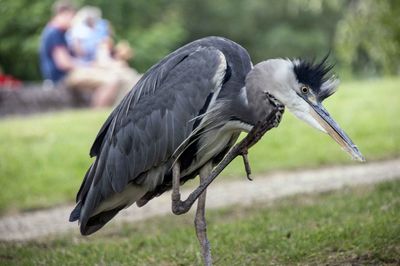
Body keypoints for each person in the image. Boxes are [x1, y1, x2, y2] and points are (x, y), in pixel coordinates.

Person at [39, 0, 76, 85]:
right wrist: (85, 66)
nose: (73, 21)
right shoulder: (55, 32)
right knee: (107, 80)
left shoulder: (56, 31)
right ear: (63, 14)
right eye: (72, 16)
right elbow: (63, 63)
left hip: (61, 77)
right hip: (60, 78)